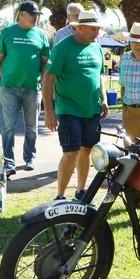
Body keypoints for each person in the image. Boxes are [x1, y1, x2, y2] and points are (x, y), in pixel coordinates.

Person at [43, 10, 108, 200]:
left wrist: (103, 98)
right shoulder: (62, 47)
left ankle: (81, 191)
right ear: (79, 28)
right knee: (71, 152)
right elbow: (48, 79)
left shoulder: (96, 48)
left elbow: (99, 76)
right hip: (69, 109)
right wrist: (49, 111)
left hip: (92, 109)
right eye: (93, 29)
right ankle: (60, 195)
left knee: (87, 150)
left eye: (98, 29)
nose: (96, 33)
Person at [0, 1, 50, 177]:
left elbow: (45, 63)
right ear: (21, 14)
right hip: (9, 88)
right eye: (32, 14)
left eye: (37, 14)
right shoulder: (7, 33)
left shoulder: (41, 35)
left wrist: (45, 85)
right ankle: (9, 163)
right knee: (8, 126)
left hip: (32, 88)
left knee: (32, 126)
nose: (35, 17)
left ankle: (30, 158)